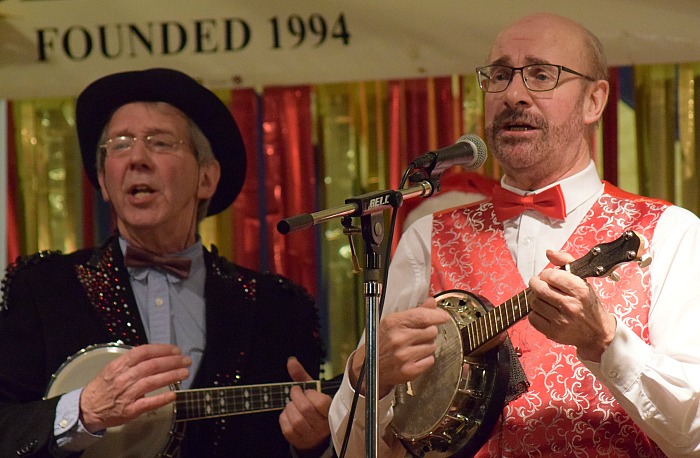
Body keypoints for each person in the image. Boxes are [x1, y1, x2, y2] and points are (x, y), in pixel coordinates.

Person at [329, 12, 700, 457]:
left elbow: (694, 434)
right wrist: (367, 380)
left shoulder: (669, 232)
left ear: (594, 100)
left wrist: (606, 343)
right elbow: (357, 448)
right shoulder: (427, 235)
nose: (513, 95)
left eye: (542, 75)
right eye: (500, 76)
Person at [0, 68, 334, 457]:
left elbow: (295, 436)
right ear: (104, 181)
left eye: (160, 143)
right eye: (120, 144)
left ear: (206, 179)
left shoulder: (277, 306)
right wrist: (82, 412)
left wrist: (313, 443)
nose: (137, 158)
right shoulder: (42, 287)